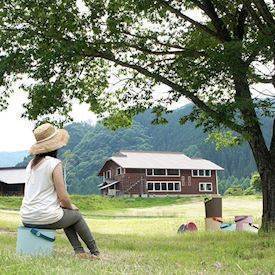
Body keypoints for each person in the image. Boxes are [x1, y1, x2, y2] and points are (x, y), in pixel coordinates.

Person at [20, 123, 100, 259]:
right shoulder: (54, 163)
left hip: (27, 217)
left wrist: (66, 207)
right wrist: (71, 206)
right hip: (44, 217)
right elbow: (63, 198)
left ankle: (80, 252)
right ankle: (95, 252)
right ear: (55, 144)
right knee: (75, 215)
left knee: (67, 216)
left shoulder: (31, 164)